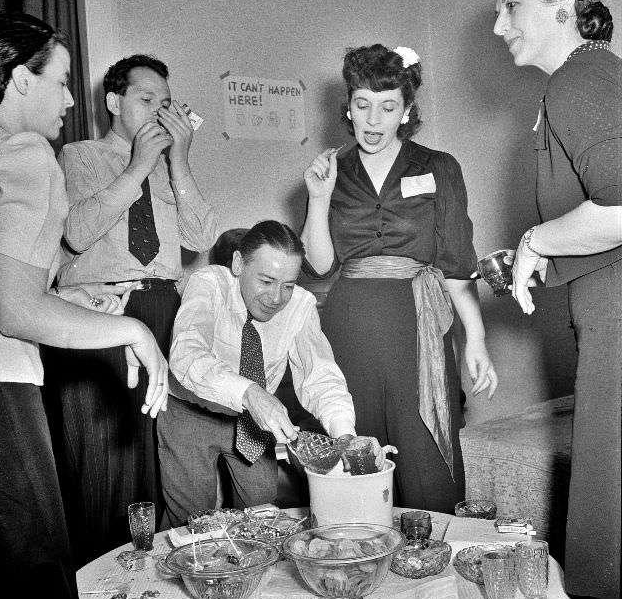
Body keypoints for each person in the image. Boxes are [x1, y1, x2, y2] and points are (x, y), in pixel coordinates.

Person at [0, 10, 168, 599]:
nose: (69, 98)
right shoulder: (28, 151)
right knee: (35, 573)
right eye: (61, 80)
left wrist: (66, 296)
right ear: (19, 79)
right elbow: (14, 313)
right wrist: (133, 328)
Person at [301, 44, 498, 514]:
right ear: (348, 107)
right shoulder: (333, 170)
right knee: (355, 454)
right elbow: (321, 265)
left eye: (387, 106)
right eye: (362, 104)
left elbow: (455, 260)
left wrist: (476, 337)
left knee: (426, 456)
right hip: (349, 326)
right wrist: (319, 198)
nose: (373, 119)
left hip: (417, 327)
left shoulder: (438, 166)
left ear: (406, 111)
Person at [42, 54, 217, 565]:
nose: (159, 114)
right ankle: (99, 579)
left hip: (163, 307)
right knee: (103, 465)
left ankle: (153, 576)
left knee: (160, 463)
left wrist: (178, 159)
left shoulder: (169, 165)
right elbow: (75, 233)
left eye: (166, 105)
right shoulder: (78, 156)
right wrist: (139, 163)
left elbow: (202, 235)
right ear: (114, 102)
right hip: (101, 311)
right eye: (146, 101)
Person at [494, 0, 621, 599]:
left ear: (565, 8)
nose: (497, 25)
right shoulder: (588, 78)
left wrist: (538, 236)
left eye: (512, 6)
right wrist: (541, 251)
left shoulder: (579, 80)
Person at [158, 220, 387, 525]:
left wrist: (346, 437)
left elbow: (320, 375)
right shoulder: (208, 283)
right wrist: (249, 393)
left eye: (288, 285)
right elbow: (186, 353)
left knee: (262, 515)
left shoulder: (301, 307)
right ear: (239, 263)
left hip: (253, 424)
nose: (277, 298)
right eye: (266, 281)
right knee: (193, 524)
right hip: (190, 413)